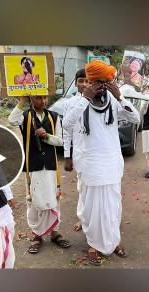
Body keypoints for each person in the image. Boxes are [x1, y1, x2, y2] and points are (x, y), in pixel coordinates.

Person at [63, 60, 140, 265]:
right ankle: (94, 244)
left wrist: (120, 96)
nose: (100, 87)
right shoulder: (75, 103)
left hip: (111, 164)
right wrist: (85, 98)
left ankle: (113, 241)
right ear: (89, 82)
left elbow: (136, 119)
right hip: (90, 165)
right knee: (91, 209)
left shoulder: (114, 101)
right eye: (96, 83)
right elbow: (66, 124)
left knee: (112, 207)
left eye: (104, 83)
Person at [8, 93, 70, 254]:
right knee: (33, 200)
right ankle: (36, 234)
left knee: (54, 197)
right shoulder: (25, 116)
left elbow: (60, 140)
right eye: (38, 98)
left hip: (50, 165)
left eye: (44, 98)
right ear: (31, 99)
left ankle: (54, 231)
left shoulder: (54, 116)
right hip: (33, 165)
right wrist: (22, 102)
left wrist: (47, 136)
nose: (42, 101)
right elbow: (11, 120)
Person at [59, 69, 88, 232]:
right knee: (82, 187)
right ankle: (83, 219)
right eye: (81, 80)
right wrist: (67, 156)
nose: (84, 84)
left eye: (87, 81)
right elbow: (66, 132)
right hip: (79, 153)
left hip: (94, 154)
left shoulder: (96, 101)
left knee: (93, 187)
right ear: (76, 82)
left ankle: (93, 218)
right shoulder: (69, 103)